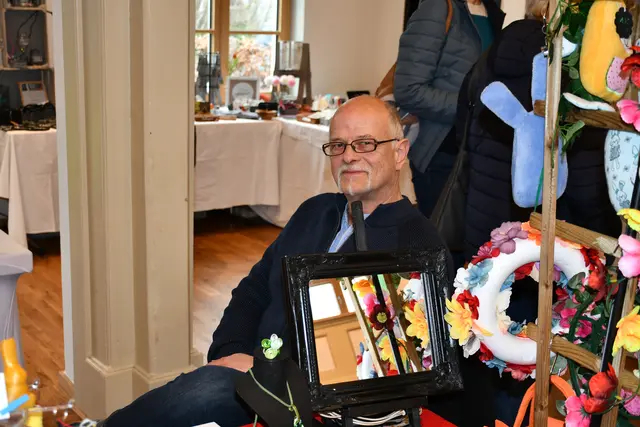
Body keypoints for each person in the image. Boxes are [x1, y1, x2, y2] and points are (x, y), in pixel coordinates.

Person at [98, 96, 462, 427]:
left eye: (365, 143)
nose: (349, 156)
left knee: (202, 392)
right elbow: (255, 289)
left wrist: (263, 375)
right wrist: (231, 352)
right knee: (200, 388)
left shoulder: (418, 247)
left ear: (399, 152)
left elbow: (386, 371)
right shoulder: (315, 211)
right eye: (337, 145)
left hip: (313, 402)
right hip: (251, 372)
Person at [457, 0, 621, 423]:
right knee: (541, 357)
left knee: (489, 343)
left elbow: (464, 136)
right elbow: (586, 180)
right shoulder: (575, 76)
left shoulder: (492, 54)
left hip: (487, 224)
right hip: (552, 239)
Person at [394, 0, 504, 219]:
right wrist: (470, 106)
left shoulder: (490, 11)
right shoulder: (438, 6)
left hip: (477, 151)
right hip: (441, 153)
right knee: (440, 236)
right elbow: (409, 90)